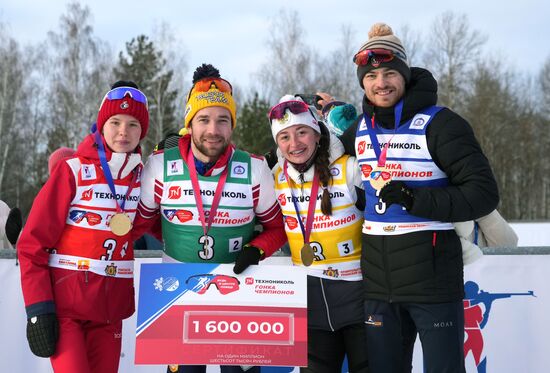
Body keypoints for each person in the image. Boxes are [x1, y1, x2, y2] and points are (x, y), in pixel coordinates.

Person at [337, 23, 499, 373]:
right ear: (362, 82)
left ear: (406, 76)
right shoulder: (360, 130)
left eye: (391, 73)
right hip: (379, 287)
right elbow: (318, 157)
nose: (381, 83)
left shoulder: (442, 124)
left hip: (433, 283)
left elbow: (483, 194)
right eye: (372, 75)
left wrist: (415, 198)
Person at [134, 64, 287, 373]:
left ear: (232, 126)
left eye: (222, 120)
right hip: (180, 292)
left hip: (237, 293)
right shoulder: (161, 165)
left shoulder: (254, 169)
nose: (213, 130)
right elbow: (141, 222)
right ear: (190, 123)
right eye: (203, 120)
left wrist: (255, 250)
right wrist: (176, 239)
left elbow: (278, 228)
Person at [17, 80, 149, 373]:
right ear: (102, 125)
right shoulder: (73, 170)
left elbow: (161, 224)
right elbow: (31, 244)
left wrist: (175, 160)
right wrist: (38, 309)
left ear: (143, 132)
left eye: (133, 124)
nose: (123, 132)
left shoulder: (144, 178)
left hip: (110, 313)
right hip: (67, 312)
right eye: (115, 122)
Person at [268, 94, 368, 372]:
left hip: (358, 297)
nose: (295, 143)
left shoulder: (349, 169)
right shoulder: (276, 178)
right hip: (309, 303)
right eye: (284, 137)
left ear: (317, 134)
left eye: (302, 132)